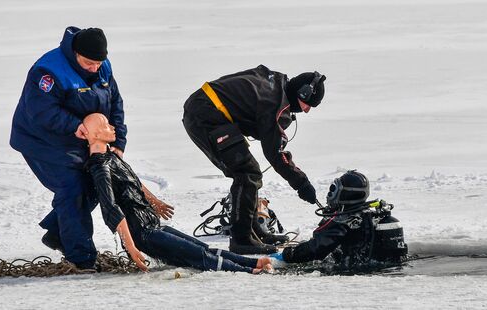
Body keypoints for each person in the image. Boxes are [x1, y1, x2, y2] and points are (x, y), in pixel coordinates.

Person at [83, 113, 272, 274]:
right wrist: (131, 247)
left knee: (202, 248)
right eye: (106, 125)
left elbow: (134, 181)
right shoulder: (100, 167)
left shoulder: (112, 158)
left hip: (152, 225)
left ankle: (252, 263)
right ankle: (250, 272)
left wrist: (154, 201)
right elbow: (111, 209)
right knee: (200, 256)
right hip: (142, 234)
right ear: (95, 134)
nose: (112, 127)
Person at [10, 26, 127, 270]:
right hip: (42, 140)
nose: (95, 68)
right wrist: (75, 126)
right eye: (88, 63)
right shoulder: (48, 71)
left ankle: (57, 232)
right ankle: (81, 258)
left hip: (81, 138)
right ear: (75, 53)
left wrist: (117, 142)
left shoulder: (101, 66)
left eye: (99, 62)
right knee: (72, 187)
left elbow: (115, 103)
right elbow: (41, 111)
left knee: (99, 182)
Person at [182, 65, 326, 255]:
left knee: (249, 171)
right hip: (206, 115)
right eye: (308, 104)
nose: (306, 111)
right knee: (247, 172)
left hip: (209, 109)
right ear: (302, 93)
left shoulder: (276, 85)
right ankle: (241, 239)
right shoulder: (274, 103)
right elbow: (274, 154)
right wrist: (301, 183)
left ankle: (253, 232)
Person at [273, 170, 408, 268]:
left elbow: (316, 248)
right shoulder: (368, 214)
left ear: (345, 193)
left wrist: (287, 255)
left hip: (355, 271)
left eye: (334, 189)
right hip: (380, 267)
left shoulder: (344, 220)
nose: (330, 193)